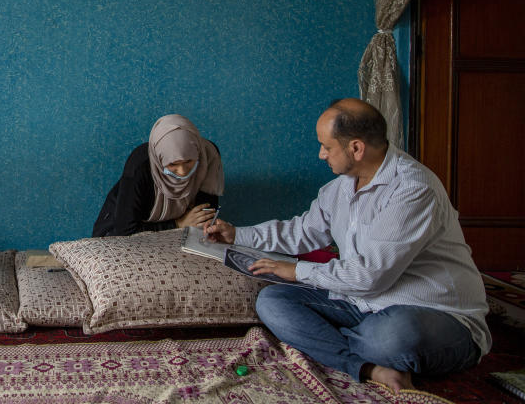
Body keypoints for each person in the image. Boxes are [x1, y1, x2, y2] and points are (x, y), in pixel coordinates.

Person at [205, 98, 490, 394]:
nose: (320, 154)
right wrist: (237, 234)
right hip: (362, 304)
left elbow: (369, 276)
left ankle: (337, 343)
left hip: (431, 313)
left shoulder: (413, 189)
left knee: (391, 337)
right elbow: (302, 232)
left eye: (326, 146)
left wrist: (298, 271)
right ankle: (368, 367)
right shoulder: (340, 187)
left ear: (356, 148)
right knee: (273, 302)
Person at [92, 114, 223, 237]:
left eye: (189, 161)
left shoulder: (207, 156)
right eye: (173, 164)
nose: (183, 171)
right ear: (159, 160)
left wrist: (204, 226)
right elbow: (125, 230)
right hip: (118, 232)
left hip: (180, 233)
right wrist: (178, 224)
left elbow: (204, 215)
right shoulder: (140, 165)